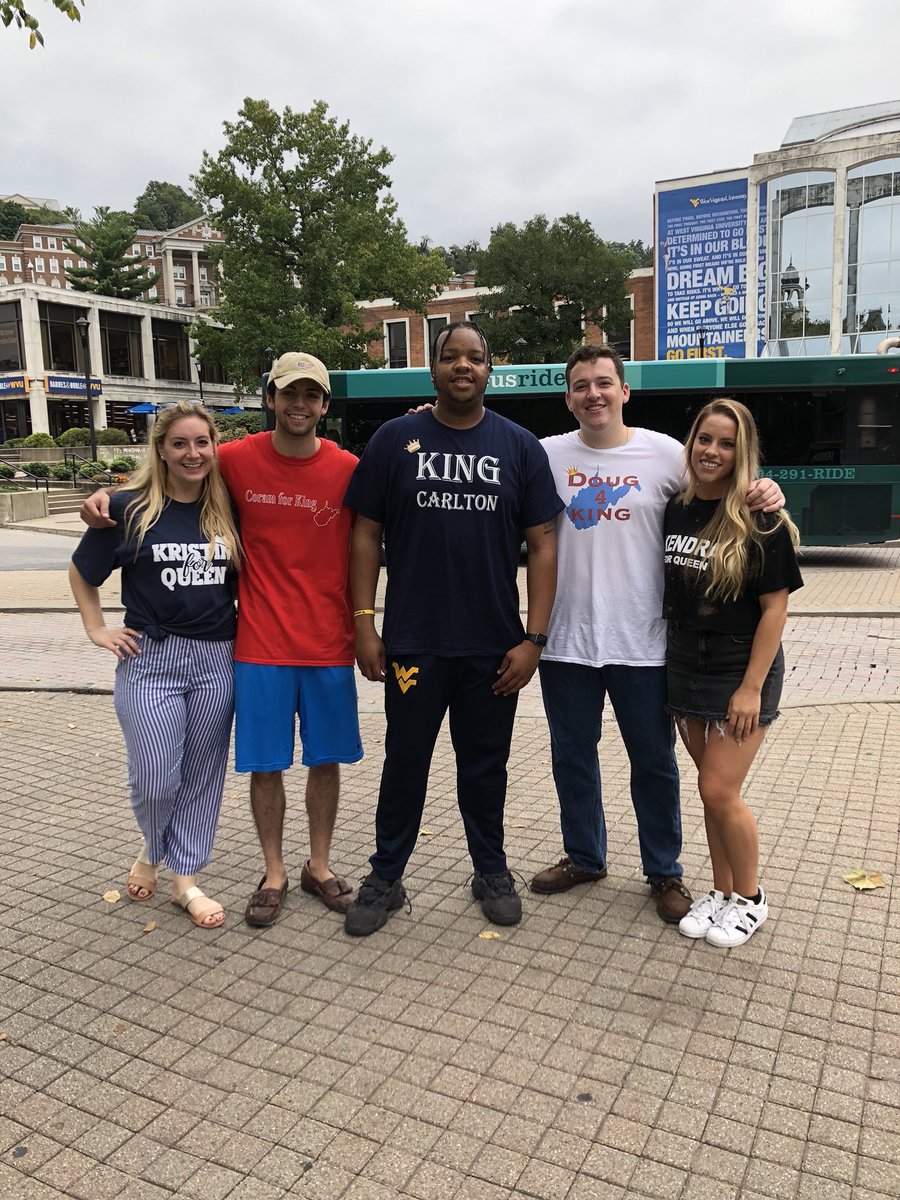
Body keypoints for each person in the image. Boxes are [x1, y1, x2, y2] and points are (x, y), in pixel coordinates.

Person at [80, 352, 362, 928]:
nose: (300, 405)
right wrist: (102, 497)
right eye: (289, 394)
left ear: (325, 405)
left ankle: (319, 865)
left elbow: (391, 512)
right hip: (254, 644)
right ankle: (275, 872)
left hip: (327, 642)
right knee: (264, 765)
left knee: (325, 761)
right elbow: (169, 471)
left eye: (311, 395)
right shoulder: (234, 459)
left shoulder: (350, 469)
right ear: (271, 400)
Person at [532, 345, 784, 924]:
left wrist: (767, 490)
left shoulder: (667, 454)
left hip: (646, 645)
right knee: (572, 757)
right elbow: (485, 452)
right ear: (567, 397)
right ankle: (585, 856)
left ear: (624, 391)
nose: (592, 394)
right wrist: (426, 420)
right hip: (567, 642)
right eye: (580, 385)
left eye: (603, 383)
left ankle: (664, 871)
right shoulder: (544, 455)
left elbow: (724, 486)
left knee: (654, 763)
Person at [344, 320, 563, 936]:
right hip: (414, 642)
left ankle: (491, 869)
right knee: (405, 762)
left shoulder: (519, 446)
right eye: (450, 356)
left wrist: (534, 639)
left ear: (490, 370)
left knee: (485, 767)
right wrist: (365, 624)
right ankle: (386, 876)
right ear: (433, 369)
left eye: (474, 357)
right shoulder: (394, 439)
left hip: (493, 648)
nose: (462, 366)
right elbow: (364, 533)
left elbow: (544, 547)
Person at [69, 402, 240, 928]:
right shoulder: (127, 508)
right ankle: (151, 846)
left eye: (202, 443)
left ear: (214, 447)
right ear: (161, 451)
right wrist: (96, 629)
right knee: (155, 777)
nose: (193, 453)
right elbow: (82, 573)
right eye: (180, 444)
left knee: (202, 775)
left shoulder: (228, 508)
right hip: (151, 660)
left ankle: (185, 878)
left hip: (217, 658)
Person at [663, 399, 801, 947]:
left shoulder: (760, 519)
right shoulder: (677, 506)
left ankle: (750, 897)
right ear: (691, 442)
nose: (712, 452)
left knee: (721, 790)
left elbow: (776, 610)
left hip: (739, 668)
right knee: (708, 789)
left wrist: (749, 688)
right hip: (683, 663)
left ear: (742, 453)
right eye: (705, 439)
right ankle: (719, 893)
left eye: (726, 444)